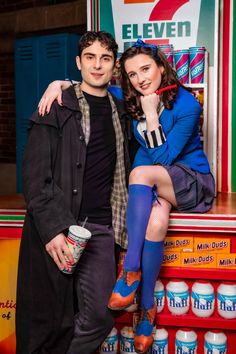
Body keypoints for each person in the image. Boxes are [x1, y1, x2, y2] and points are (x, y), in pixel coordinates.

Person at [38, 39, 215, 354]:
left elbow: (164, 158)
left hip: (188, 179)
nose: (141, 78)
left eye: (146, 69)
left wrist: (150, 116)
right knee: (156, 224)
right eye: (132, 74)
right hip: (155, 184)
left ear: (161, 67)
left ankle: (130, 269)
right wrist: (59, 83)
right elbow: (92, 84)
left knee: (140, 172)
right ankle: (147, 311)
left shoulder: (188, 104)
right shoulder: (127, 95)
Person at [16, 31, 131, 354]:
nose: (97, 65)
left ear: (114, 65)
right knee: (51, 320)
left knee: (100, 314)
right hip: (60, 226)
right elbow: (35, 177)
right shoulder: (55, 106)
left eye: (105, 58)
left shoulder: (121, 109)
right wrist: (52, 230)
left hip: (102, 229)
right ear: (78, 62)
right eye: (90, 58)